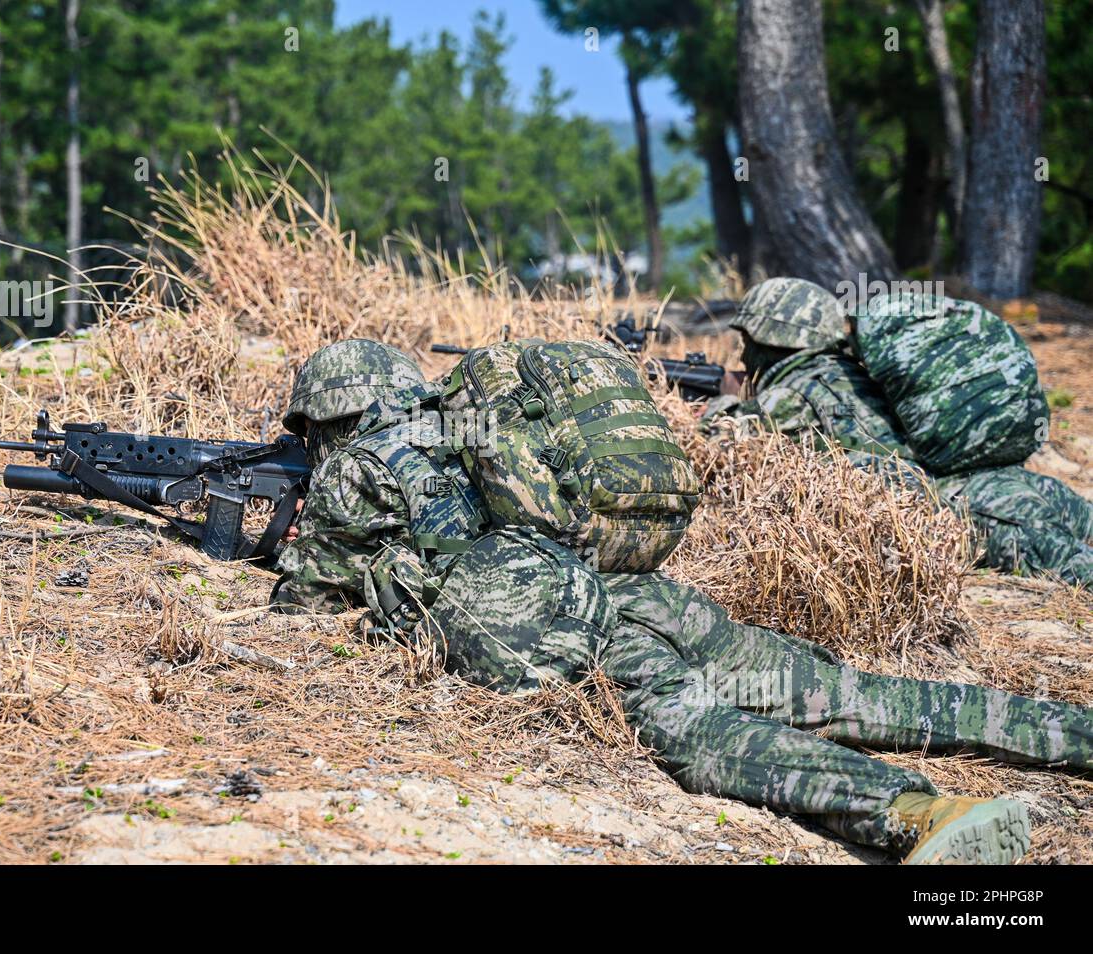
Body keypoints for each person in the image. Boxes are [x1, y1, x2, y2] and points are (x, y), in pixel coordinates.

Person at [270, 340, 1093, 864]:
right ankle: (1072, 733)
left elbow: (304, 602)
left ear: (330, 417)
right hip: (652, 593)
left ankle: (919, 814)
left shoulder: (360, 463)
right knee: (853, 692)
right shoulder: (472, 423)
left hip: (588, 626)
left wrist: (288, 544)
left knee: (704, 735)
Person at [707, 278, 1093, 585]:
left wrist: (720, 404)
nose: (742, 354)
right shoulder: (856, 371)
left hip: (951, 514)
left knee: (1068, 564)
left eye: (746, 343)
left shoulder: (792, 395)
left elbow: (720, 446)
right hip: (996, 482)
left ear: (767, 341)